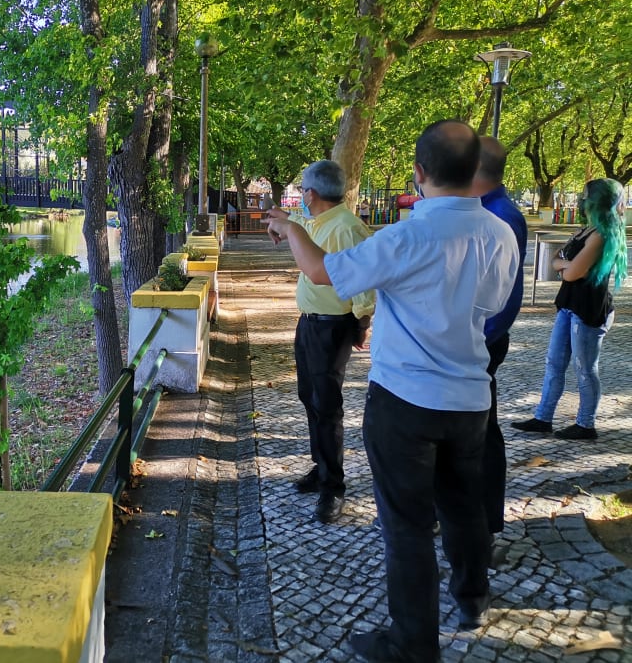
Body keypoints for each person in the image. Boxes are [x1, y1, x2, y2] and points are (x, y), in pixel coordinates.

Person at [265, 120, 518, 663]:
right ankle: (472, 598)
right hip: (471, 398)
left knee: (407, 524)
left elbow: (322, 271)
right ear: (473, 170)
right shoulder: (500, 234)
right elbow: (496, 307)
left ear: (419, 172)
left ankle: (412, 642)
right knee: (463, 505)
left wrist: (289, 227)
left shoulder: (406, 237)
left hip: (405, 399)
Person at [268, 160, 375, 524]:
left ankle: (333, 485)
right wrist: (285, 222)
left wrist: (361, 323)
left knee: (327, 406)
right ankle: (321, 466)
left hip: (332, 326)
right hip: (311, 323)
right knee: (310, 397)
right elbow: (305, 231)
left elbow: (363, 285)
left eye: (302, 190)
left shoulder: (346, 228)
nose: (301, 196)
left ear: (311, 194)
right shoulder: (322, 221)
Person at [512, 178, 627, 440]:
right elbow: (556, 261)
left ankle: (586, 424)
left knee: (585, 369)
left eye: (586, 196)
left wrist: (566, 266)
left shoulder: (601, 235)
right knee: (554, 363)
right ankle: (543, 418)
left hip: (589, 309)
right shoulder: (585, 231)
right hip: (569, 304)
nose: (582, 200)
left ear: (597, 201)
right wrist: (566, 266)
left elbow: (571, 272)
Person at [472, 136, 528, 542]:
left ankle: (485, 522)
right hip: (475, 340)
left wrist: (478, 343)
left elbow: (506, 298)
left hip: (481, 343)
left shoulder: (500, 216)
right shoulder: (485, 210)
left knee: (481, 431)